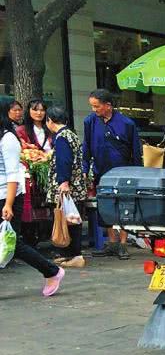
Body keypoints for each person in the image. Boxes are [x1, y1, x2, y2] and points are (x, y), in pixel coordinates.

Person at [2, 99, 64, 295]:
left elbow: (13, 174)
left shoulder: (8, 139)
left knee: (13, 243)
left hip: (7, 196)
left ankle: (52, 271)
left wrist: (9, 204)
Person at [83, 89, 142, 259]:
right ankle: (111, 242)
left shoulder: (127, 123)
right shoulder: (90, 122)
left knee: (124, 205)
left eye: (97, 106)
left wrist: (137, 172)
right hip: (101, 170)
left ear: (108, 105)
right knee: (105, 206)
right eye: (92, 106)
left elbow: (135, 151)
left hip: (123, 170)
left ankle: (123, 243)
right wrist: (85, 169)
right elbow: (86, 146)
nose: (94, 109)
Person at [45, 106, 88, 268]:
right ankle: (69, 254)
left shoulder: (62, 137)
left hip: (67, 186)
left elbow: (64, 161)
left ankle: (75, 254)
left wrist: (63, 182)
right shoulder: (71, 134)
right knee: (72, 219)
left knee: (70, 220)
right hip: (75, 185)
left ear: (50, 120)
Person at [15, 98, 54, 245]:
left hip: (49, 170)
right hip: (31, 173)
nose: (39, 113)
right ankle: (30, 238)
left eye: (42, 109)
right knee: (31, 206)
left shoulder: (50, 129)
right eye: (35, 109)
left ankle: (48, 235)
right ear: (29, 111)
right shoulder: (22, 130)